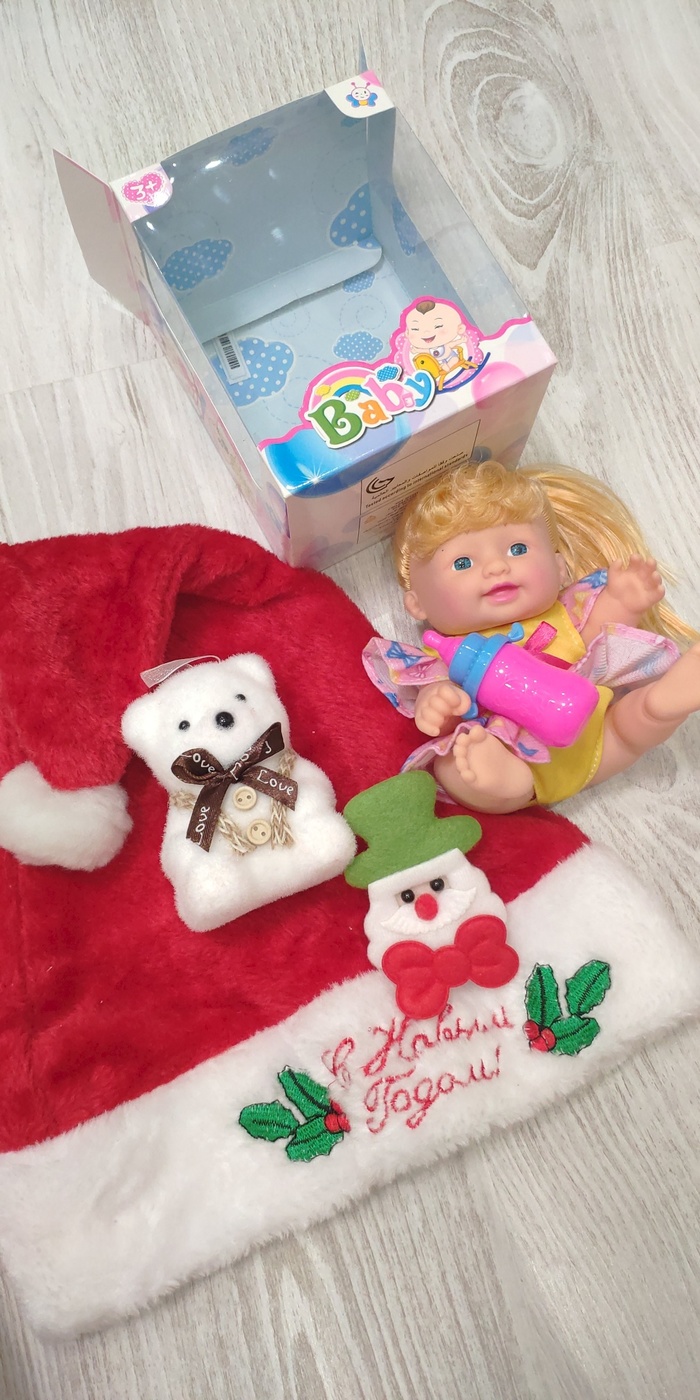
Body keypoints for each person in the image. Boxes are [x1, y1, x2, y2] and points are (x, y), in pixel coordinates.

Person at [364, 461, 700, 812]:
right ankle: (507, 781)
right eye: (463, 563)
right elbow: (440, 704)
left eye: (517, 549)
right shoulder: (443, 658)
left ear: (559, 568)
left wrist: (622, 601)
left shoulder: (564, 614)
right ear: (417, 604)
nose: (497, 567)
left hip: (601, 735)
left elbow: (598, 639)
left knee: (635, 721)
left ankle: (661, 704)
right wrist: (439, 702)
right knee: (452, 765)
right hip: (513, 757)